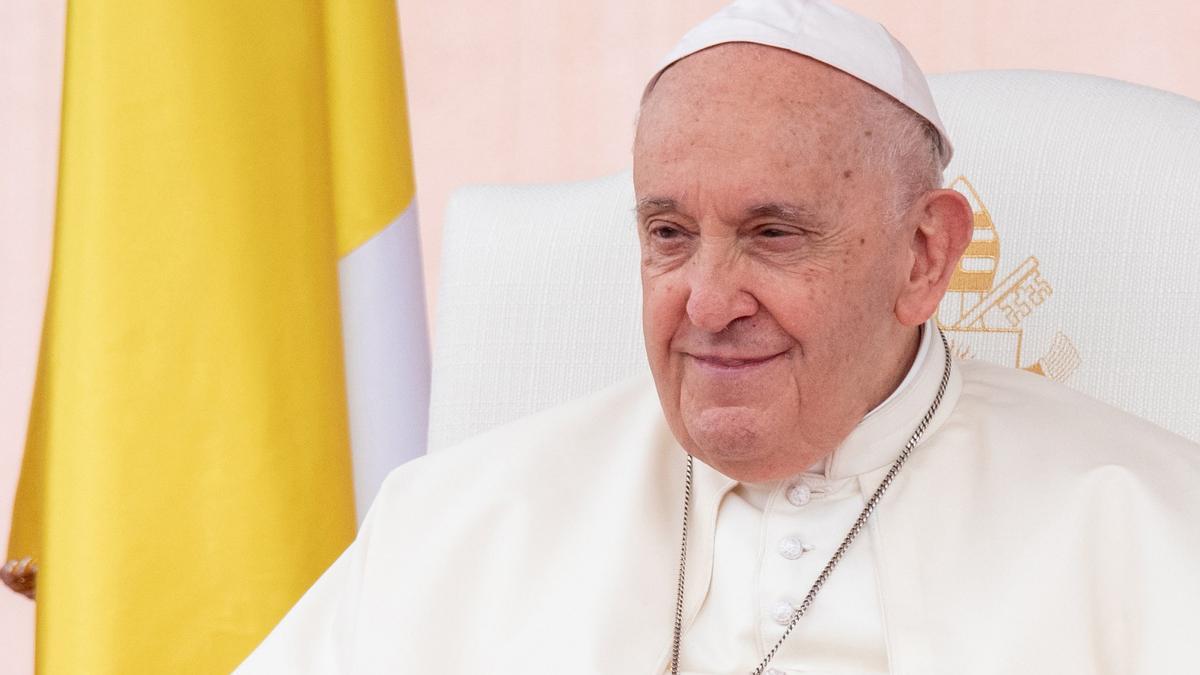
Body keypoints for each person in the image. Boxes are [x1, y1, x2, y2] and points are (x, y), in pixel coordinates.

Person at [237, 1, 1200, 672]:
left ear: (923, 255)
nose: (705, 302)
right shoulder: (453, 525)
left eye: (773, 234)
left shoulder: (1154, 533)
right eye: (668, 234)